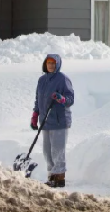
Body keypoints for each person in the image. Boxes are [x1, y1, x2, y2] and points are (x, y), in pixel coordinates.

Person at [30, 54, 74, 188]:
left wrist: (62, 99)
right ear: (45, 64)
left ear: (58, 65)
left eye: (53, 63)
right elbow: (38, 99)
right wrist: (35, 114)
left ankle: (59, 177)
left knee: (57, 150)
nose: (51, 65)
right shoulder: (42, 80)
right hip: (45, 120)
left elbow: (70, 99)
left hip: (59, 121)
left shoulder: (63, 79)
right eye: (48, 63)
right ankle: (51, 176)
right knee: (47, 151)